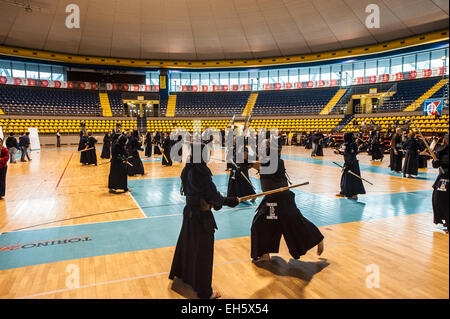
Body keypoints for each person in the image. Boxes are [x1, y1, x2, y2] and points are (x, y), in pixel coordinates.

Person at [169, 142, 239, 299]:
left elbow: (204, 195)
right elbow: (214, 196)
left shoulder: (188, 169)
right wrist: (230, 201)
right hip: (201, 218)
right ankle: (205, 292)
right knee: (203, 255)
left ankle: (185, 276)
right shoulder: (202, 173)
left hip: (189, 215)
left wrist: (217, 202)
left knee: (188, 247)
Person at [250, 139, 324, 263]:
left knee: (296, 224)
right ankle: (264, 254)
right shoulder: (269, 161)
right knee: (263, 225)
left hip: (283, 202)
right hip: (271, 203)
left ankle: (318, 239)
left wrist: (248, 162)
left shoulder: (276, 163)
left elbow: (258, 165)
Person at [335, 132, 366, 199]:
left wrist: (359, 148)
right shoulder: (345, 144)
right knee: (345, 178)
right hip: (347, 163)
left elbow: (354, 153)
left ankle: (354, 194)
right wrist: (338, 152)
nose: (343, 137)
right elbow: (343, 152)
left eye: (344, 136)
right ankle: (343, 192)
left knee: (354, 179)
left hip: (353, 163)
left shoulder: (353, 144)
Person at [431, 133, 449, 232]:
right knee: (438, 200)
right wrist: (436, 162)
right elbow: (434, 165)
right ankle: (446, 220)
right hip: (443, 179)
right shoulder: (441, 151)